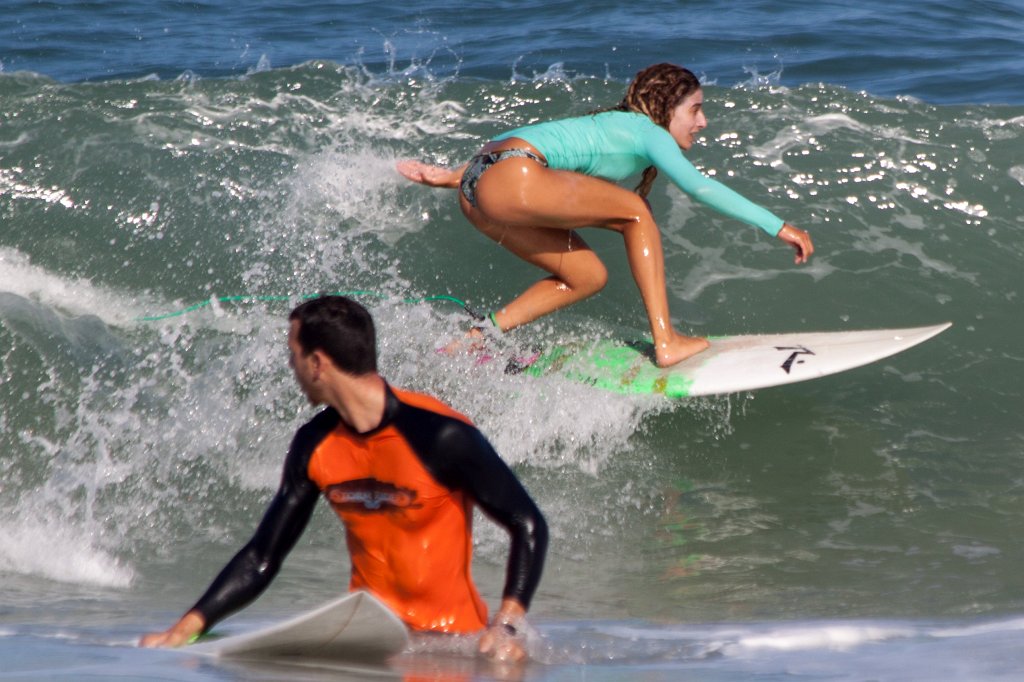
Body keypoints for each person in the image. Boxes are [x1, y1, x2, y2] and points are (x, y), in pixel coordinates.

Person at [140, 295, 548, 662]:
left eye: (294, 355)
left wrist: (506, 625)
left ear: (318, 363)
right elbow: (263, 556)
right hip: (371, 645)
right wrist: (187, 627)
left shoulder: (441, 435)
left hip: (451, 647)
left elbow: (528, 523)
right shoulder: (314, 444)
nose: (291, 366)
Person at [397, 62, 814, 368]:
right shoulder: (647, 130)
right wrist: (777, 225)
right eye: (695, 110)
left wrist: (453, 177)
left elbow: (514, 145)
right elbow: (698, 186)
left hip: (476, 189)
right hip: (513, 177)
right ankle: (666, 340)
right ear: (667, 107)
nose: (702, 122)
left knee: (587, 276)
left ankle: (477, 337)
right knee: (636, 212)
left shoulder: (606, 124)